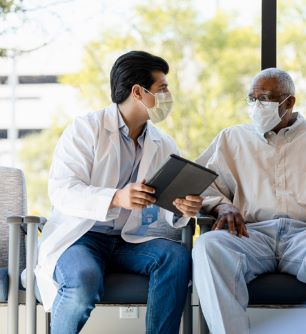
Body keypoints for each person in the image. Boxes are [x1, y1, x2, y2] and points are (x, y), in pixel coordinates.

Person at [34, 51, 203, 334]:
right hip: (82, 237)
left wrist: (181, 209)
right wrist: (115, 197)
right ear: (138, 91)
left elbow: (163, 207)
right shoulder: (86, 130)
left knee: (175, 257)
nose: (168, 95)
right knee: (84, 279)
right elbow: (62, 190)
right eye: (163, 88)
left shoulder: (164, 144)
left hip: (130, 241)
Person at [193, 68, 306, 334]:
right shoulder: (231, 138)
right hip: (250, 234)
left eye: (264, 98)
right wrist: (221, 204)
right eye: (252, 98)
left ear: (289, 102)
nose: (256, 106)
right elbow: (198, 185)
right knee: (208, 245)